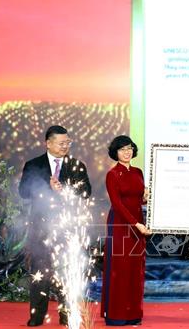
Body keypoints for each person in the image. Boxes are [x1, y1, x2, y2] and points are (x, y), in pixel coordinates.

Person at [19, 125, 91, 327]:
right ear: (48, 143)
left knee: (66, 272)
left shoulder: (76, 165)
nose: (65, 146)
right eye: (61, 143)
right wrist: (46, 186)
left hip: (67, 227)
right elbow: (23, 192)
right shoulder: (34, 165)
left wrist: (65, 190)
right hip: (40, 229)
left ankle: (66, 315)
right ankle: (37, 316)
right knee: (40, 273)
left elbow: (86, 192)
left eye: (68, 142)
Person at [101, 135, 151, 326]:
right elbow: (118, 205)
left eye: (129, 148)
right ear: (115, 152)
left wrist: (146, 198)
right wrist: (136, 224)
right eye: (122, 149)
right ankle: (116, 314)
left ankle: (133, 313)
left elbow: (137, 200)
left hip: (138, 224)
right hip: (120, 225)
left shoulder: (138, 172)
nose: (127, 152)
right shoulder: (112, 174)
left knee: (135, 269)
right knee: (119, 269)